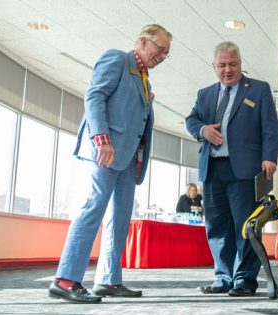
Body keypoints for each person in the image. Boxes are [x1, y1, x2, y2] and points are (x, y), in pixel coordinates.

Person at [48, 24, 172, 303]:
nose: (163, 56)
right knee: (93, 209)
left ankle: (109, 280)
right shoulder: (118, 58)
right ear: (143, 41)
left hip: (127, 159)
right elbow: (94, 95)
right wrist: (101, 138)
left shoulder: (145, 79)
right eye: (160, 49)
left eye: (166, 53)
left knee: (120, 219)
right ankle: (65, 279)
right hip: (106, 149)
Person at [186, 41, 278, 297]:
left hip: (245, 170)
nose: (228, 70)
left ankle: (245, 280)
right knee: (217, 227)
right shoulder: (205, 94)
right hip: (213, 170)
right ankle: (223, 277)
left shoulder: (258, 89)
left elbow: (269, 126)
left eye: (233, 64)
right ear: (214, 66)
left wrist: (269, 157)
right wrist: (202, 130)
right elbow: (191, 120)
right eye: (222, 65)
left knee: (246, 226)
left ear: (240, 63)